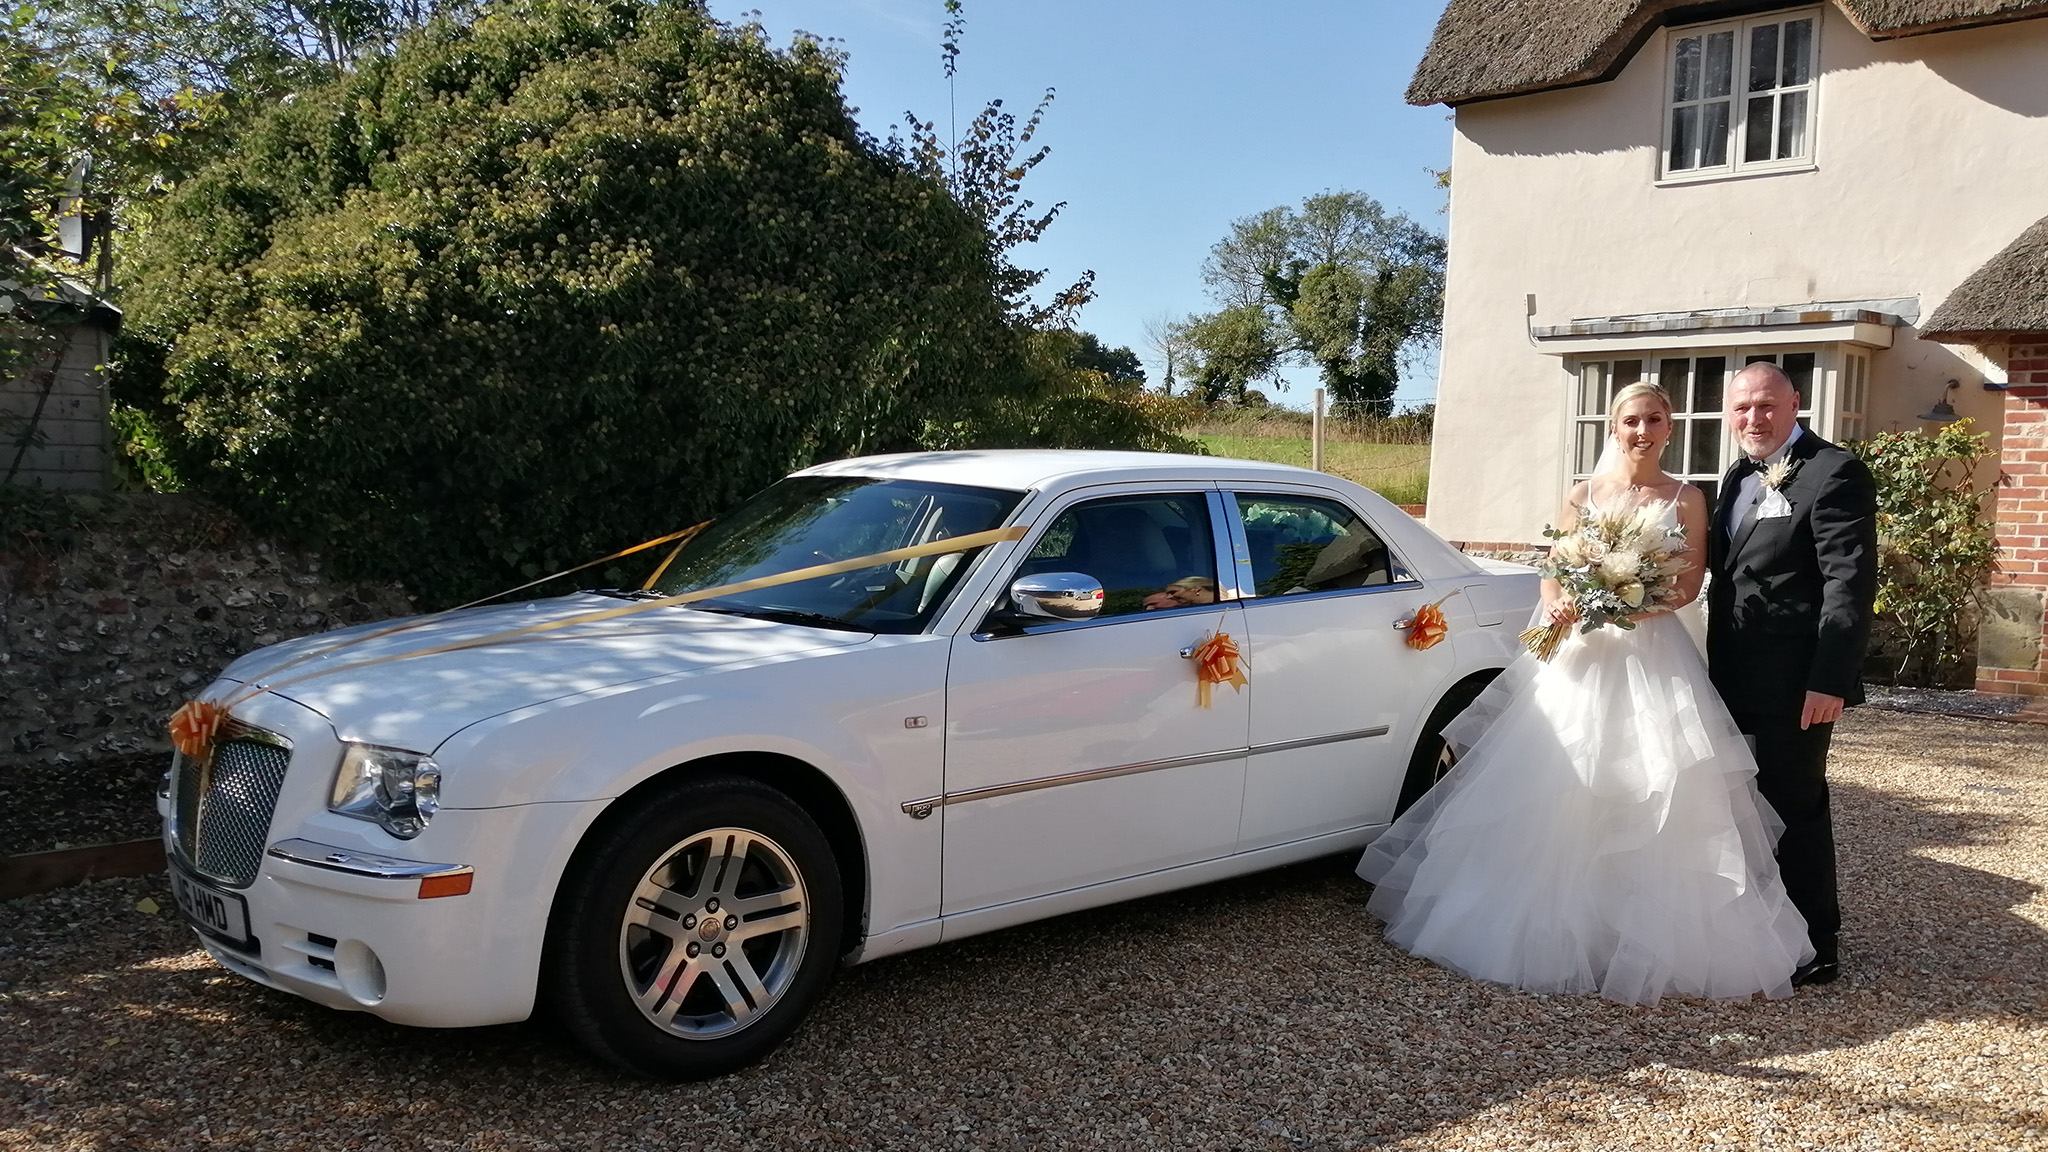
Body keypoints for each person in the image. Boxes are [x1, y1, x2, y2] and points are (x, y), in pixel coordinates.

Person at [1357, 382, 1814, 1004]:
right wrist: (1566, 603)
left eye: (1654, 419)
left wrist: (1629, 603)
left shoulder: (1687, 499)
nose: (1642, 430)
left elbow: (1689, 585)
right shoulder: (1582, 494)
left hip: (1650, 652)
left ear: (1670, 427)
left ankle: (1638, 936)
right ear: (1613, 426)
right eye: (1631, 420)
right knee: (1557, 780)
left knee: (1653, 783)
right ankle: (1532, 925)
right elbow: (1552, 571)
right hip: (1578, 654)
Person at [1707, 362, 1878, 987]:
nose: (1754, 418)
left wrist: (1830, 679)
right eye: (1742, 407)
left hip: (1795, 684)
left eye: (1766, 405)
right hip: (1728, 673)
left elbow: (1849, 584)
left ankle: (1815, 943)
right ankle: (1757, 926)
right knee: (1740, 804)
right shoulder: (1736, 475)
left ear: (1795, 403)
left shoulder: (1835, 472)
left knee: (1795, 804)